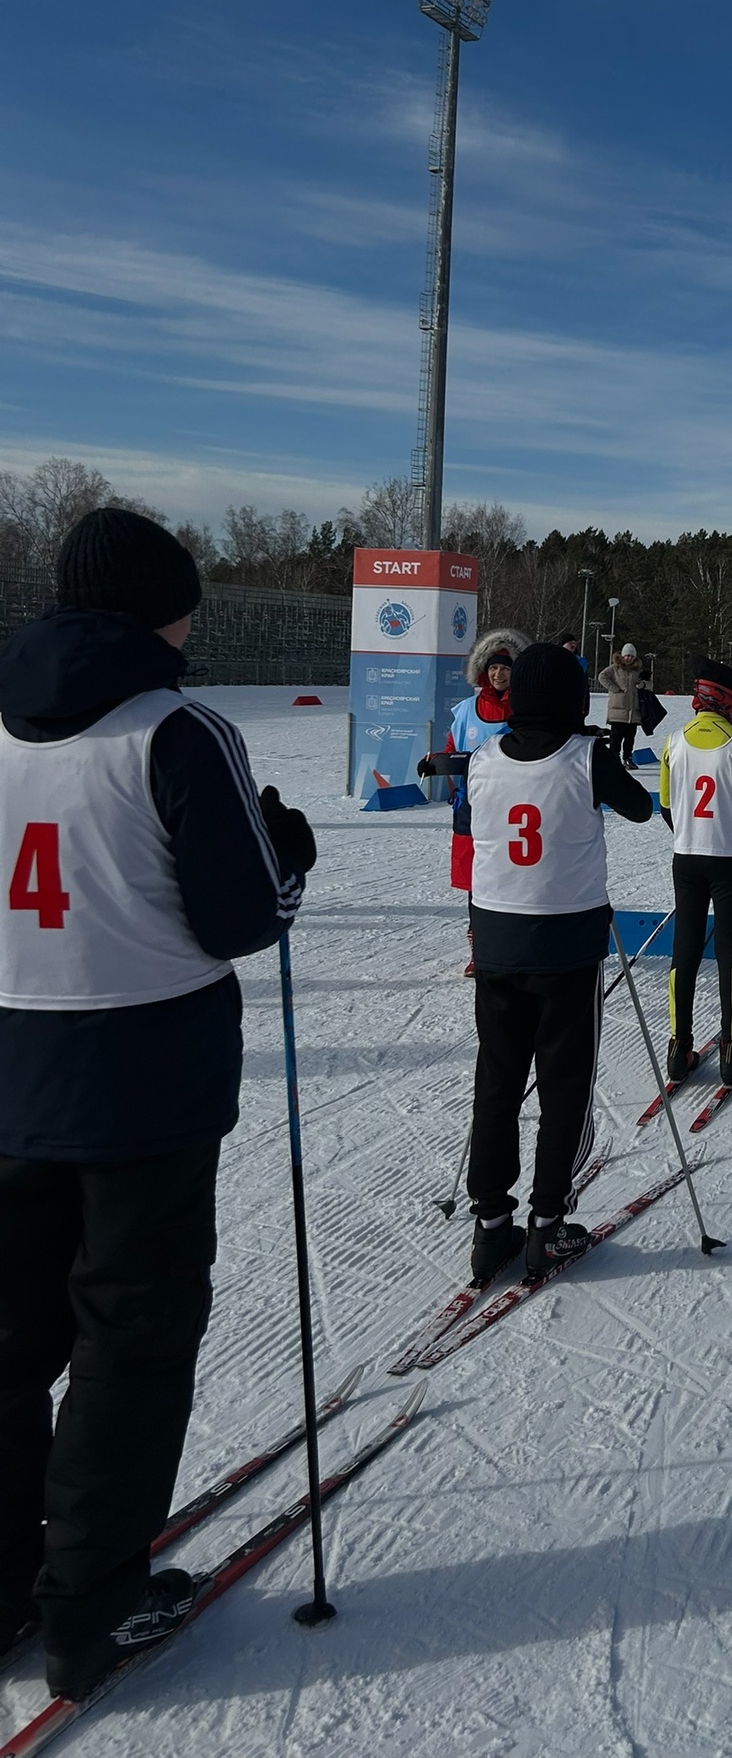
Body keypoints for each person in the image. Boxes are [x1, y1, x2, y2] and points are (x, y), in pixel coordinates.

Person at [0, 509, 314, 1700]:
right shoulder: (174, 727)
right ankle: (92, 1606)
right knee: (128, 1341)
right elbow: (244, 917)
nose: (193, 624)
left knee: (10, 1340)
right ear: (148, 609)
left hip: (13, 1061)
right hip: (142, 1083)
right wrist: (287, 855)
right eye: (185, 604)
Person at [459, 644, 651, 1281]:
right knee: (564, 1085)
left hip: (495, 942)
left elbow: (474, 820)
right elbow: (640, 806)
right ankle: (546, 1223)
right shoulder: (585, 757)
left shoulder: (483, 757)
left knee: (499, 1082)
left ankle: (490, 1224)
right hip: (566, 947)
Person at [660, 658, 732, 1089]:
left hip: (686, 859)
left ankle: (678, 1047)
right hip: (731, 861)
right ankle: (731, 1050)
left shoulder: (672, 742)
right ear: (728, 703)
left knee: (684, 949)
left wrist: (691, 832)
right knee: (730, 954)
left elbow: (668, 807)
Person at [424, 630, 529, 977]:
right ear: (484, 671)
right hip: (472, 806)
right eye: (494, 669)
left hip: (514, 808)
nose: (499, 675)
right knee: (476, 881)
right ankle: (480, 949)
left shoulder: (526, 708)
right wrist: (436, 761)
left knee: (514, 876)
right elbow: (453, 748)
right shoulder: (467, 709)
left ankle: (516, 945)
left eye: (507, 669)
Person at [599, 644, 645, 767]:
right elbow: (602, 677)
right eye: (627, 656)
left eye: (631, 656)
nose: (629, 658)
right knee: (616, 738)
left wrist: (643, 685)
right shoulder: (614, 668)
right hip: (617, 711)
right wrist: (614, 688)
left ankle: (628, 758)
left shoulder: (638, 671)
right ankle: (614, 759)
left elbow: (648, 682)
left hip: (633, 711)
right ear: (623, 656)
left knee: (630, 738)